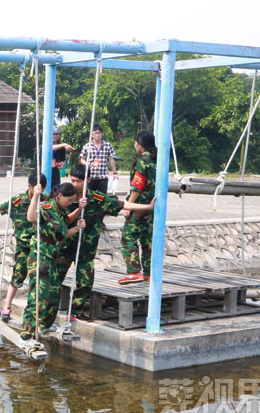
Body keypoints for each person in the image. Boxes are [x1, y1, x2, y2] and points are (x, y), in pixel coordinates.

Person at [57, 164, 156, 319]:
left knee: (85, 282)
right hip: (65, 247)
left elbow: (121, 205)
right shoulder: (64, 196)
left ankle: (76, 311)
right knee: (54, 280)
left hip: (86, 250)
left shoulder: (97, 199)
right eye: (73, 180)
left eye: (78, 181)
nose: (75, 184)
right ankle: (49, 312)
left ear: (88, 180)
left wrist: (147, 207)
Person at [19, 182, 85, 345]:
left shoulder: (61, 212)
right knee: (38, 295)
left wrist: (76, 227)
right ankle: (27, 333)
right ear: (60, 196)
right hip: (39, 256)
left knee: (54, 291)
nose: (70, 204)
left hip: (52, 256)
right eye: (69, 200)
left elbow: (61, 235)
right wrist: (35, 195)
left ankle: (44, 325)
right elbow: (31, 217)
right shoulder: (45, 206)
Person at [0, 170, 46, 322]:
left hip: (40, 245)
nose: (38, 192)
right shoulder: (18, 201)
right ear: (30, 186)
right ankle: (7, 306)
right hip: (24, 246)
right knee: (18, 275)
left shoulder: (46, 201)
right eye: (36, 188)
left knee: (39, 276)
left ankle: (37, 309)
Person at [118, 131, 158, 285]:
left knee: (128, 237)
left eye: (135, 143)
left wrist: (128, 206)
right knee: (148, 241)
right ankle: (149, 274)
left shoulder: (142, 162)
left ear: (139, 144)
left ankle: (134, 271)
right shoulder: (156, 161)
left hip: (139, 206)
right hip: (153, 207)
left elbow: (137, 186)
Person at [79, 125, 118, 193]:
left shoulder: (107, 145)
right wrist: (87, 164)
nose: (97, 135)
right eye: (95, 133)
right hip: (91, 176)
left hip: (103, 176)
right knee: (90, 197)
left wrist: (115, 172)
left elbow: (111, 159)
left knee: (102, 198)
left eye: (99, 133)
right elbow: (82, 159)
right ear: (92, 135)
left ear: (102, 134)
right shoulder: (87, 146)